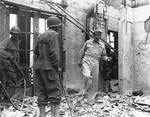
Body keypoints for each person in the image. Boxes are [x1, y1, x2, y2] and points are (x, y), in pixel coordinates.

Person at [34, 16, 62, 117]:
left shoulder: (41, 35)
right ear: (56, 27)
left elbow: (36, 51)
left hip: (39, 68)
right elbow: (54, 53)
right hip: (49, 68)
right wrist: (57, 66)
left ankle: (42, 115)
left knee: (42, 93)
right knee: (55, 93)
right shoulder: (54, 34)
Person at [78, 29, 111, 101]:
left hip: (96, 61)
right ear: (93, 36)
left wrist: (107, 58)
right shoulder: (88, 42)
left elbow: (103, 56)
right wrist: (80, 61)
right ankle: (84, 91)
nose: (97, 38)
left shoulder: (102, 45)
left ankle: (91, 98)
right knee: (87, 76)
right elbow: (82, 52)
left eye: (99, 37)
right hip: (87, 60)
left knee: (95, 81)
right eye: (96, 37)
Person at [0, 26, 21, 100]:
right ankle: (6, 100)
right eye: (14, 34)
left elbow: (16, 55)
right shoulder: (7, 41)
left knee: (9, 82)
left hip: (11, 65)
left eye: (17, 34)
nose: (15, 35)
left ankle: (5, 99)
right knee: (12, 81)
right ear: (11, 34)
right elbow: (0, 50)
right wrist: (9, 56)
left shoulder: (17, 42)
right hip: (5, 64)